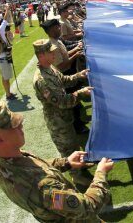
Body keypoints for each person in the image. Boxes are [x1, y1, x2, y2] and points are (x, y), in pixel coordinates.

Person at [0, 98, 113, 222]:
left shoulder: (1, 161)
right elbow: (87, 207)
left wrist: (66, 162)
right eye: (13, 125)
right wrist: (101, 174)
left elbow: (36, 167)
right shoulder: (45, 189)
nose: (20, 124)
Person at [32, 39, 93, 185]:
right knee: (67, 150)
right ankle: (76, 175)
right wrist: (81, 93)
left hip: (64, 119)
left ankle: (80, 165)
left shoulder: (49, 68)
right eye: (50, 52)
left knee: (73, 144)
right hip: (58, 122)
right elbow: (62, 102)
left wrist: (79, 75)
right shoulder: (42, 80)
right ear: (41, 55)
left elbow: (64, 80)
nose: (54, 53)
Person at [41, 19, 89, 134]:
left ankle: (79, 122)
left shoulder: (57, 41)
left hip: (69, 73)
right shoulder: (53, 46)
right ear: (51, 31)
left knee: (76, 101)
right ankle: (78, 126)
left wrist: (76, 49)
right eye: (57, 28)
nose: (59, 29)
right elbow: (62, 65)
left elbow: (66, 55)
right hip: (65, 74)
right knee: (73, 103)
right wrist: (76, 54)